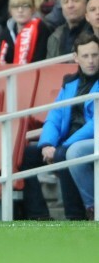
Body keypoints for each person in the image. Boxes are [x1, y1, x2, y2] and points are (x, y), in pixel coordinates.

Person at [21, 32, 99, 220]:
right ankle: (39, 215)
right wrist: (47, 143)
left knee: (65, 154)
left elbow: (94, 124)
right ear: (76, 58)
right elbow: (54, 116)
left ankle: (77, 216)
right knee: (27, 154)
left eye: (95, 55)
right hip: (67, 142)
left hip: (90, 140)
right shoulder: (70, 83)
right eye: (85, 56)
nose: (91, 61)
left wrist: (61, 147)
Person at [0, 0, 51, 64]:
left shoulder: (41, 29)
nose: (20, 10)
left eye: (25, 6)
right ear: (10, 11)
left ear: (33, 9)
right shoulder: (6, 33)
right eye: (15, 6)